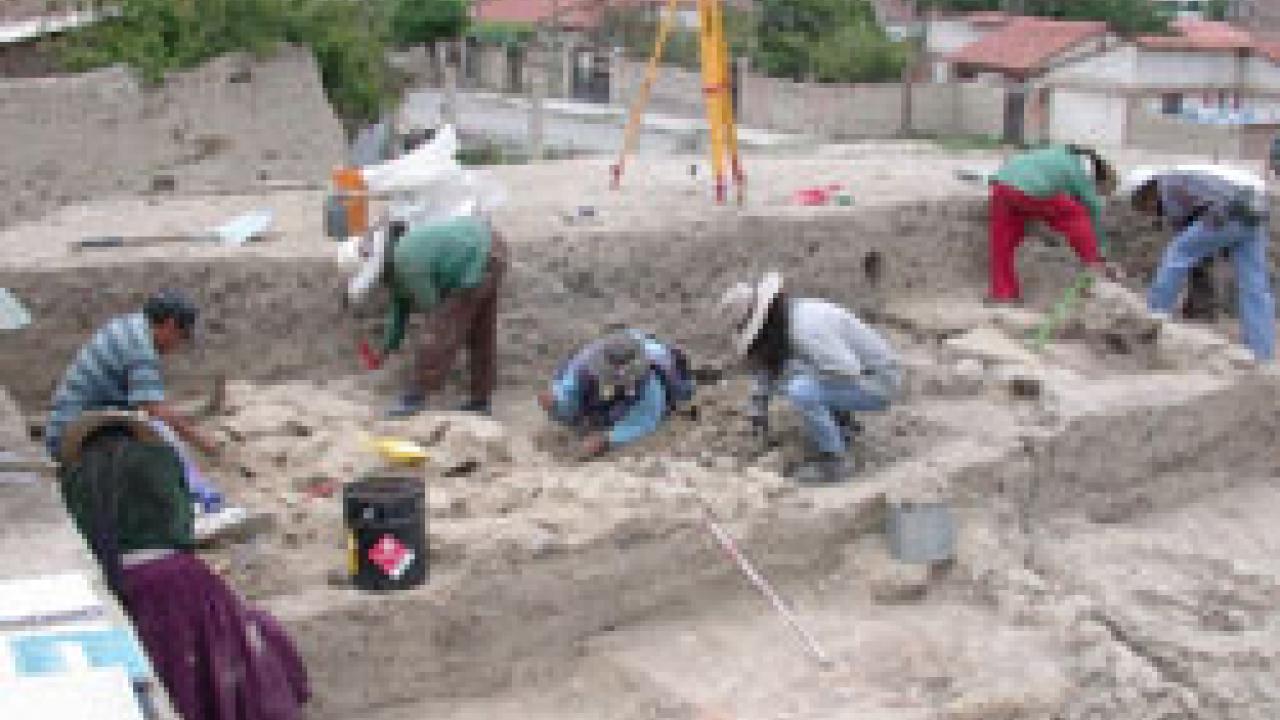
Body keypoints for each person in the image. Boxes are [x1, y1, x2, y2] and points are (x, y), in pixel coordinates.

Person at [58, 412, 309, 720]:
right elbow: (181, 529)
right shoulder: (159, 462)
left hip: (120, 583)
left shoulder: (76, 477)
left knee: (162, 671)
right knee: (214, 658)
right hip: (180, 578)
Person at [45, 289, 226, 509]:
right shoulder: (140, 349)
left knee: (156, 437)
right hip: (72, 438)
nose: (178, 345)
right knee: (163, 446)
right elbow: (155, 410)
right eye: (182, 336)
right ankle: (193, 500)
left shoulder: (131, 325)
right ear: (169, 325)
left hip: (74, 425)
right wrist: (204, 442)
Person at [719, 272, 902, 484]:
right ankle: (841, 426)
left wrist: (797, 375)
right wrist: (757, 409)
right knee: (792, 376)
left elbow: (847, 369)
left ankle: (834, 460)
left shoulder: (806, 328)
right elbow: (769, 369)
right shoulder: (788, 318)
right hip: (863, 376)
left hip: (879, 383)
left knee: (800, 389)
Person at [348, 215, 507, 418]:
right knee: (481, 333)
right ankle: (480, 400)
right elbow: (400, 306)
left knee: (441, 329)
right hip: (490, 245)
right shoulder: (401, 251)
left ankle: (415, 397)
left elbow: (433, 309)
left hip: (477, 259)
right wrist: (387, 347)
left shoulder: (407, 262)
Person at [1121, 165, 1275, 362]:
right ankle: (1262, 352)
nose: (1146, 211)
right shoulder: (1186, 176)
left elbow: (1185, 232)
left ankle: (1153, 316)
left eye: (1141, 204)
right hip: (1254, 209)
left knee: (1176, 255)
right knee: (1254, 286)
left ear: (1146, 189)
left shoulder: (1169, 184)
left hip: (1230, 209)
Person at [987, 144, 1117, 303]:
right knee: (1076, 214)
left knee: (1002, 243)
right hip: (1028, 189)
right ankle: (1094, 265)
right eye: (1101, 191)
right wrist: (1101, 251)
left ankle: (1003, 294)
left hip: (1001, 184)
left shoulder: (1056, 154)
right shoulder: (1079, 170)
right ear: (1098, 180)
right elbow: (1093, 208)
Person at [537, 330, 695, 459]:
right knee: (572, 409)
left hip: (656, 354)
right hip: (604, 381)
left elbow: (644, 420)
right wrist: (557, 402)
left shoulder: (651, 384)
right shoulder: (583, 366)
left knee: (681, 391)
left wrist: (608, 439)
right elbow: (569, 391)